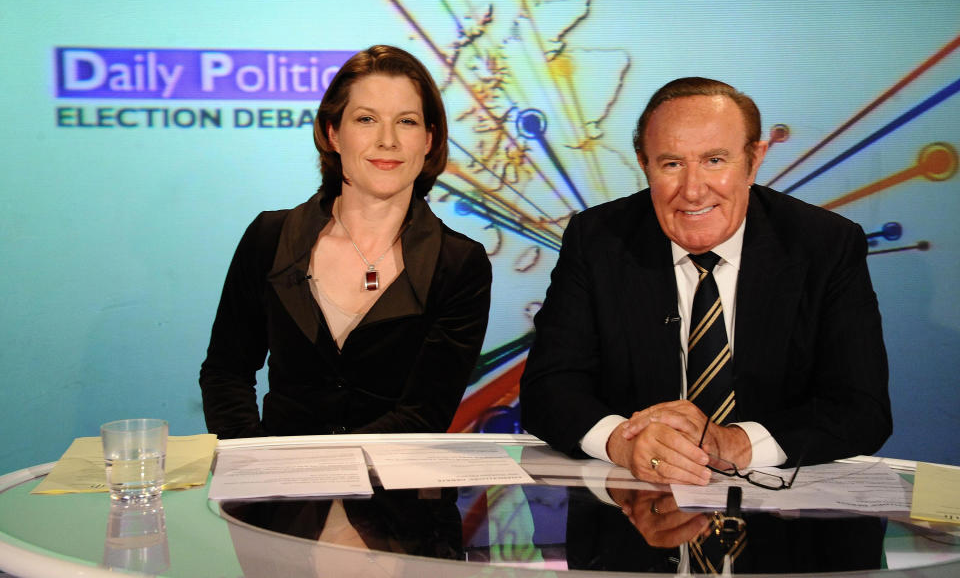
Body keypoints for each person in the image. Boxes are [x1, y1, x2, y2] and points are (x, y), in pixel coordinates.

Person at [520, 77, 891, 484]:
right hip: (630, 515)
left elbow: (861, 408)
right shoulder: (598, 239)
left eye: (715, 160)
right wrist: (623, 443)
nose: (693, 191)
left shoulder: (824, 245)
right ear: (644, 165)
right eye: (672, 164)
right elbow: (547, 389)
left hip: (782, 523)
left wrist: (735, 443)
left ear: (754, 159)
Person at [200, 45, 492, 438]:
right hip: (280, 491)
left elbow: (425, 414)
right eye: (367, 119)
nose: (387, 140)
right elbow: (226, 372)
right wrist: (254, 466)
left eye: (406, 122)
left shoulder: (458, 263)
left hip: (396, 493)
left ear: (428, 140)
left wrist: (329, 472)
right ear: (333, 133)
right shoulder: (270, 239)